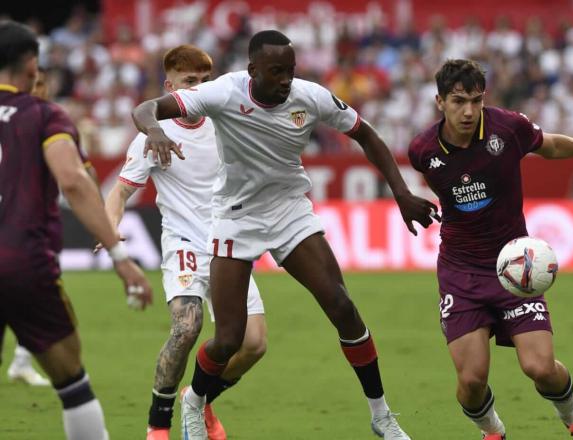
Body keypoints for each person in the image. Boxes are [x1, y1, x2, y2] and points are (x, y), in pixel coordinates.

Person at [133, 30, 439, 440]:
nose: (285, 80)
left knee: (342, 306)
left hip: (289, 210)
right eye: (276, 71)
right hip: (236, 216)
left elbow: (366, 134)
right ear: (252, 70)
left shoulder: (309, 97)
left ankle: (381, 416)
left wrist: (401, 193)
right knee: (228, 339)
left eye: (290, 71)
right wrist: (155, 130)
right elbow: (146, 107)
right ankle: (194, 400)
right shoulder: (224, 92)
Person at [407, 59, 573, 440]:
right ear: (439, 101)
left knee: (540, 367)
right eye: (458, 101)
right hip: (461, 271)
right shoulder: (423, 150)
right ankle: (493, 432)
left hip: (514, 266)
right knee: (471, 381)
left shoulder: (507, 127)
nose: (469, 111)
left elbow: (549, 144)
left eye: (475, 100)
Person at [103, 45, 267, 440]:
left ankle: (198, 396)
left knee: (254, 346)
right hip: (184, 246)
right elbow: (119, 193)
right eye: (189, 82)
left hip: (229, 245)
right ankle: (158, 423)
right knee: (187, 327)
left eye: (204, 82)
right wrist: (110, 233)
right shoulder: (155, 135)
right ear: (170, 85)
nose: (197, 89)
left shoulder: (224, 122)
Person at [0, 20, 153, 440]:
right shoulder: (45, 116)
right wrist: (120, 256)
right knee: (71, 381)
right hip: (21, 262)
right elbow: (73, 181)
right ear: (32, 64)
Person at [4, 67, 56, 388]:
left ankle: (22, 362)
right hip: (11, 223)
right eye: (33, 84)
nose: (37, 90)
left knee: (34, 295)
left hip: (37, 225)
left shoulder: (48, 121)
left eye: (42, 85)